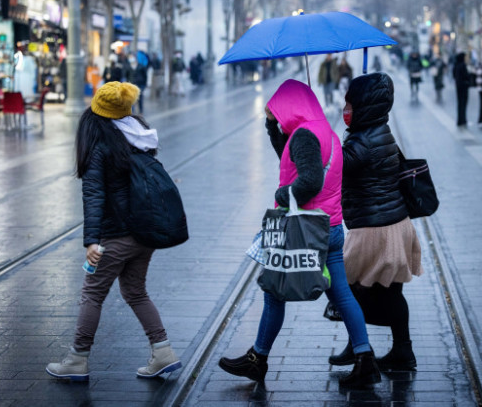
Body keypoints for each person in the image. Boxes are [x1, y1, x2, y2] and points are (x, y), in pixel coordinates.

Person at [218, 79, 381, 389]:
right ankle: (365, 358)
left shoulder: (305, 135)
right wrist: (271, 127)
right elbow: (289, 155)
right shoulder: (325, 132)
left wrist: (281, 195)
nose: (277, 115)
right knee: (342, 295)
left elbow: (308, 182)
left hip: (305, 230)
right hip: (329, 228)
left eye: (278, 109)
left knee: (275, 290)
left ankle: (258, 359)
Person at [46, 82, 181, 381]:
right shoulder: (141, 136)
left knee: (92, 294)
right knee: (135, 291)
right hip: (145, 235)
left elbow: (94, 195)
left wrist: (92, 241)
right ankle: (163, 352)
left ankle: (77, 359)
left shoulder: (100, 145)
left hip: (114, 238)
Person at [333, 72, 423, 372]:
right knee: (386, 291)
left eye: (350, 102)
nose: (346, 108)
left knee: (347, 291)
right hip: (390, 223)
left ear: (364, 105)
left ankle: (363, 349)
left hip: (375, 229)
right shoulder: (376, 130)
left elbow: (330, 170)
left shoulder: (363, 142)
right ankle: (396, 350)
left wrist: (314, 132)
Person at [453, 52, 470, 127]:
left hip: (458, 87)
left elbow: (454, 75)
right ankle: (463, 120)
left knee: (460, 104)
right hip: (463, 87)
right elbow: (466, 75)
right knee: (463, 103)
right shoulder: (462, 65)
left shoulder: (456, 65)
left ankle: (460, 120)